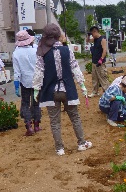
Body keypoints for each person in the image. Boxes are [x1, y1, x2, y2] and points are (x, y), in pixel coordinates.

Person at [33, 23, 92, 156]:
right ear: (58, 36)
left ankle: (59, 148)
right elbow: (75, 68)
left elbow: (39, 72)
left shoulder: (42, 52)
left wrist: (36, 90)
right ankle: (82, 143)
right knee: (75, 117)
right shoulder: (67, 50)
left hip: (50, 91)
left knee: (55, 121)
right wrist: (82, 86)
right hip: (68, 90)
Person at [13, 30, 42, 136]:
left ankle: (29, 126)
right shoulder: (35, 50)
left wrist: (16, 84)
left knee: (25, 104)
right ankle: (37, 125)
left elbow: (17, 72)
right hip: (37, 80)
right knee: (36, 103)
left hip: (24, 81)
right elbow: (40, 65)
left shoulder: (16, 53)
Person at [87, 26, 109, 98]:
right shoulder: (95, 39)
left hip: (100, 62)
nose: (92, 35)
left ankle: (107, 91)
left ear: (95, 31)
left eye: (92, 33)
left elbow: (104, 50)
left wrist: (101, 59)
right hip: (94, 61)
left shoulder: (102, 39)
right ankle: (95, 92)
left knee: (102, 77)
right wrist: (88, 36)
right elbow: (88, 41)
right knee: (94, 78)